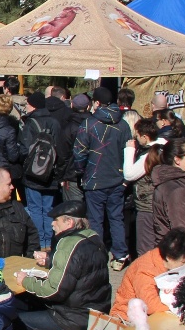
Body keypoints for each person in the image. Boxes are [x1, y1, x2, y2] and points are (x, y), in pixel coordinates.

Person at [15, 200, 111, 330]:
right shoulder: (93, 237)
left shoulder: (68, 244)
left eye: (56, 220)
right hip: (97, 312)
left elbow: (53, 291)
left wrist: (25, 281)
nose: (52, 224)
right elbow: (79, 264)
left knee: (13, 319)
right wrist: (50, 259)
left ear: (69, 222)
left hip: (73, 319)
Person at [73, 86, 130, 269]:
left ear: (96, 103)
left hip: (94, 178)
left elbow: (79, 153)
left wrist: (81, 172)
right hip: (117, 178)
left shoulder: (88, 124)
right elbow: (129, 150)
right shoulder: (123, 124)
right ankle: (120, 255)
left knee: (95, 220)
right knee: (116, 218)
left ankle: (97, 255)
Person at [109, 228, 185, 320]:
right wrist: (180, 309)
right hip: (128, 319)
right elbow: (151, 306)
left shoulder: (167, 264)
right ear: (169, 258)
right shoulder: (146, 270)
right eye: (184, 262)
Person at [21, 93, 67, 250]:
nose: (26, 107)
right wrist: (58, 172)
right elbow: (61, 150)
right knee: (48, 209)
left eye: (27, 104)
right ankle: (49, 242)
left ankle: (39, 242)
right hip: (50, 174)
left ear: (33, 106)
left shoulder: (30, 123)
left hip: (32, 175)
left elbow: (24, 150)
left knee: (35, 209)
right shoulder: (55, 122)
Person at [152, 138, 185, 266]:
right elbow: (182, 236)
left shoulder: (173, 183)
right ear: (177, 160)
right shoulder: (178, 191)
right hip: (183, 261)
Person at [124, 116, 166, 257]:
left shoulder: (149, 155)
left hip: (147, 204)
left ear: (145, 137)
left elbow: (129, 174)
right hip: (161, 201)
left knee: (145, 245)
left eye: (137, 136)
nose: (135, 139)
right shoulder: (165, 146)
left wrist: (129, 150)